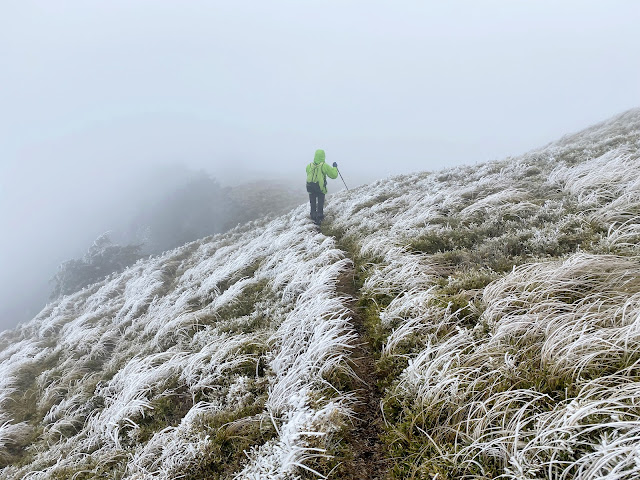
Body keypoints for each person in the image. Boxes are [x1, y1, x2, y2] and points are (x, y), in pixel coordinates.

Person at [306, 149, 338, 225]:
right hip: (319, 187)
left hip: (310, 186)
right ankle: (319, 219)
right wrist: (335, 167)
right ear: (323, 156)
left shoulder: (309, 165)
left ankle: (313, 217)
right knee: (320, 203)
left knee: (312, 203)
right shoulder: (324, 165)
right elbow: (333, 175)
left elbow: (307, 172)